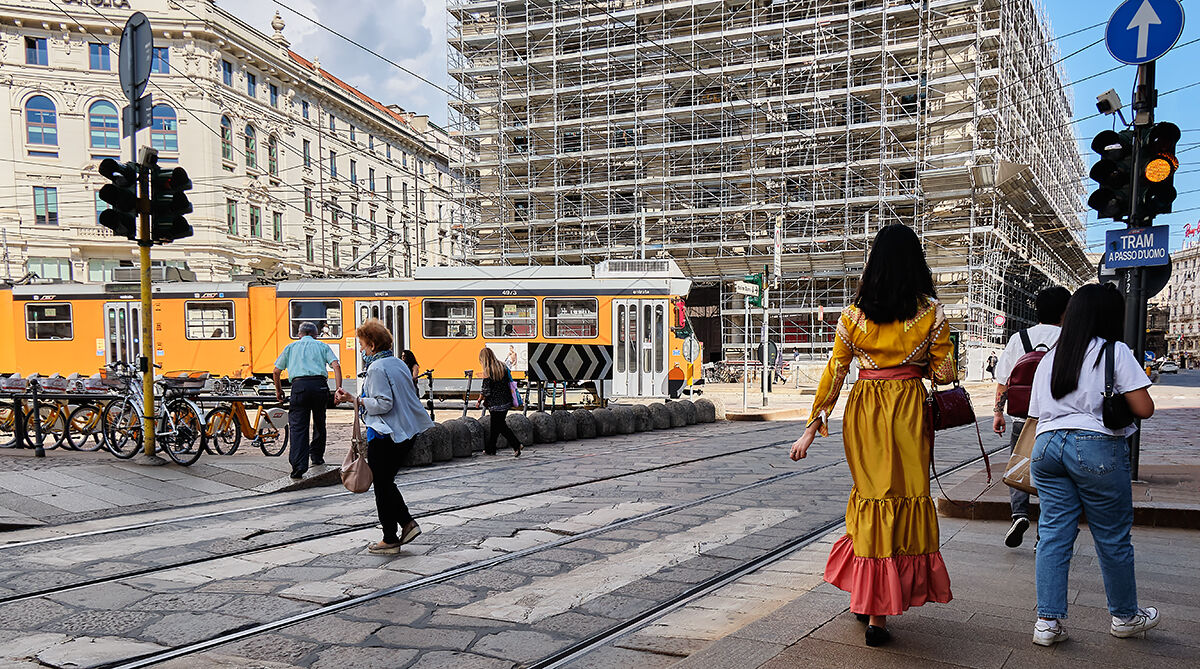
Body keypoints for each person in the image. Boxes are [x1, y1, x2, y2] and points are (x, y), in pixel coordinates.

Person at [789, 224, 956, 648]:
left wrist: (812, 428)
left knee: (873, 497)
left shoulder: (853, 315)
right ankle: (879, 615)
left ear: (873, 265)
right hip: (909, 412)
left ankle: (869, 602)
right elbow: (946, 373)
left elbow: (835, 372)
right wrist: (921, 363)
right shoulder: (932, 314)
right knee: (906, 496)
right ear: (916, 263)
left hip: (864, 413)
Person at [1026, 283, 1157, 647]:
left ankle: (1047, 623)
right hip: (1095, 447)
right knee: (1112, 536)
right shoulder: (1114, 352)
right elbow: (1144, 408)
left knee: (1053, 534)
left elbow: (1036, 414)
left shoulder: (1052, 356)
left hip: (1047, 448)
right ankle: (1125, 616)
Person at [335, 319, 433, 554]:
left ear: (371, 344)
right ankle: (406, 524)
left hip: (386, 434)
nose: (361, 349)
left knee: (381, 485)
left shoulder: (377, 368)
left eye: (362, 344)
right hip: (405, 432)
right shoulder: (397, 363)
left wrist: (354, 400)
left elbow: (384, 404)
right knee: (385, 482)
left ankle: (390, 537)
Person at [992, 286, 1071, 548]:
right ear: (1065, 311)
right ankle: (1044, 534)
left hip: (1022, 419)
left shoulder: (1020, 338)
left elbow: (1003, 381)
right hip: (1058, 421)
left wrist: (997, 413)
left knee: (1018, 466)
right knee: (1055, 477)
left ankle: (1019, 514)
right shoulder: (1071, 338)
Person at [274, 321, 342, 479]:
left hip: (299, 387)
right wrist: (338, 390)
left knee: (298, 427)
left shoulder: (291, 347)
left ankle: (299, 466)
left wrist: (279, 391)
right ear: (315, 335)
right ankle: (317, 457)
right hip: (319, 387)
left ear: (299, 334)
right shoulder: (322, 346)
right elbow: (336, 366)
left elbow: (276, 371)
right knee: (319, 422)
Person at [476, 347, 522, 457]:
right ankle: (490, 449)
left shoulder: (488, 371)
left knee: (500, 426)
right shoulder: (502, 366)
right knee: (495, 426)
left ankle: (516, 445)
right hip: (506, 401)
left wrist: (479, 400)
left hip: (495, 404)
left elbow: (485, 390)